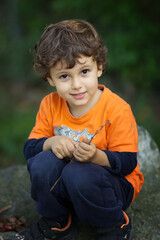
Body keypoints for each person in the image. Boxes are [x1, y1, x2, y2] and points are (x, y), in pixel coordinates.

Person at [12, 19, 144, 240]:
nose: (76, 85)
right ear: (50, 78)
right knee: (42, 163)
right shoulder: (50, 104)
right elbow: (30, 150)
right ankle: (58, 221)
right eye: (64, 76)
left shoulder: (117, 109)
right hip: (70, 184)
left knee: (77, 172)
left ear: (99, 67)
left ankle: (114, 226)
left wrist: (96, 156)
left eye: (84, 71)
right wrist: (51, 142)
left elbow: (128, 163)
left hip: (112, 186)